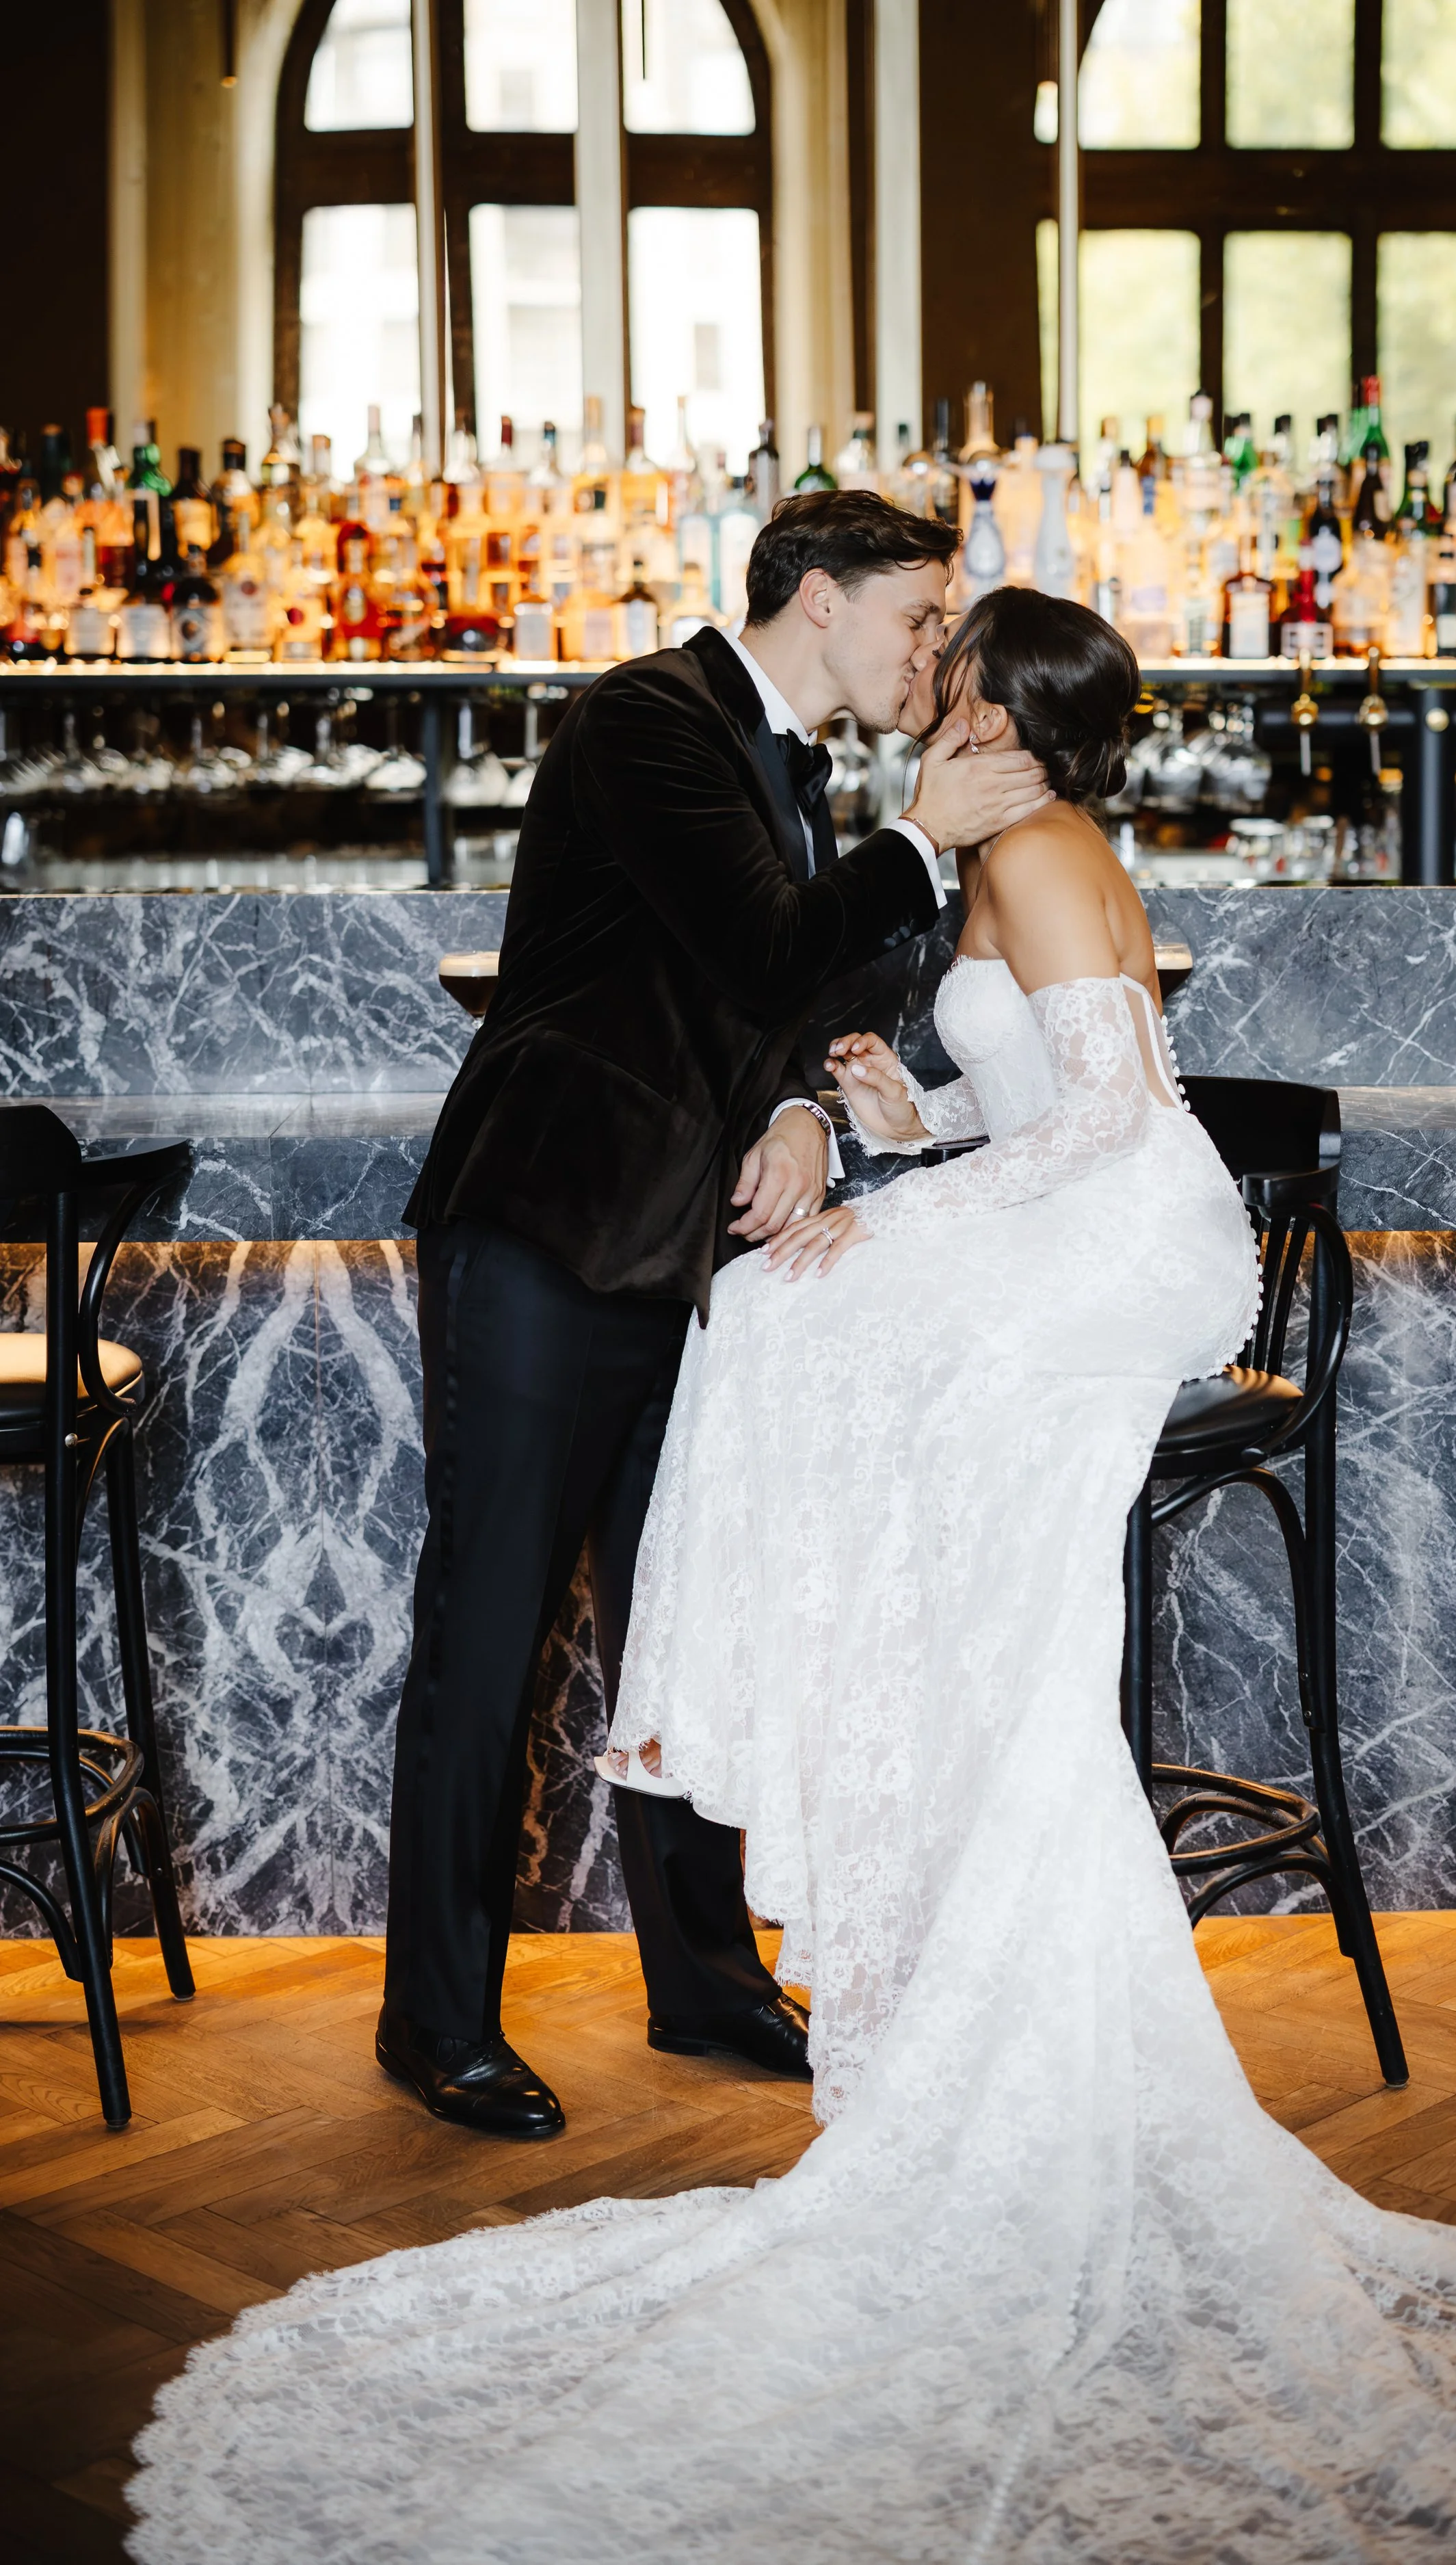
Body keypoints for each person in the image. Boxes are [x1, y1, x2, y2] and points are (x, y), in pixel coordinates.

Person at [129, 591, 1456, 2562]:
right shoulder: (948, 844)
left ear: (1009, 722)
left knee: (808, 1323)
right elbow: (1020, 1092)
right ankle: (850, 1759)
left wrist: (904, 1201)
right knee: (798, 1328)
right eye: (917, 663)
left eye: (950, 681)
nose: (921, 698)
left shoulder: (1032, 850)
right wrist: (894, 1114)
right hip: (1035, 1214)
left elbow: (1123, 1128)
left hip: (1135, 1247)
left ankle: (831, 1747)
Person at [373, 492, 1050, 2138]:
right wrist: (925, 837)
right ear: (817, 602)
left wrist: (810, 1115)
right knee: (492, 1631)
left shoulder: (797, 780)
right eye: (913, 616)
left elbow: (801, 1000)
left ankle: (704, 1984)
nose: (932, 651)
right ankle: (435, 2021)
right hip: (542, 1227)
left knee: (673, 1619)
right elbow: (761, 941)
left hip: (687, 1257)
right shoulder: (647, 719)